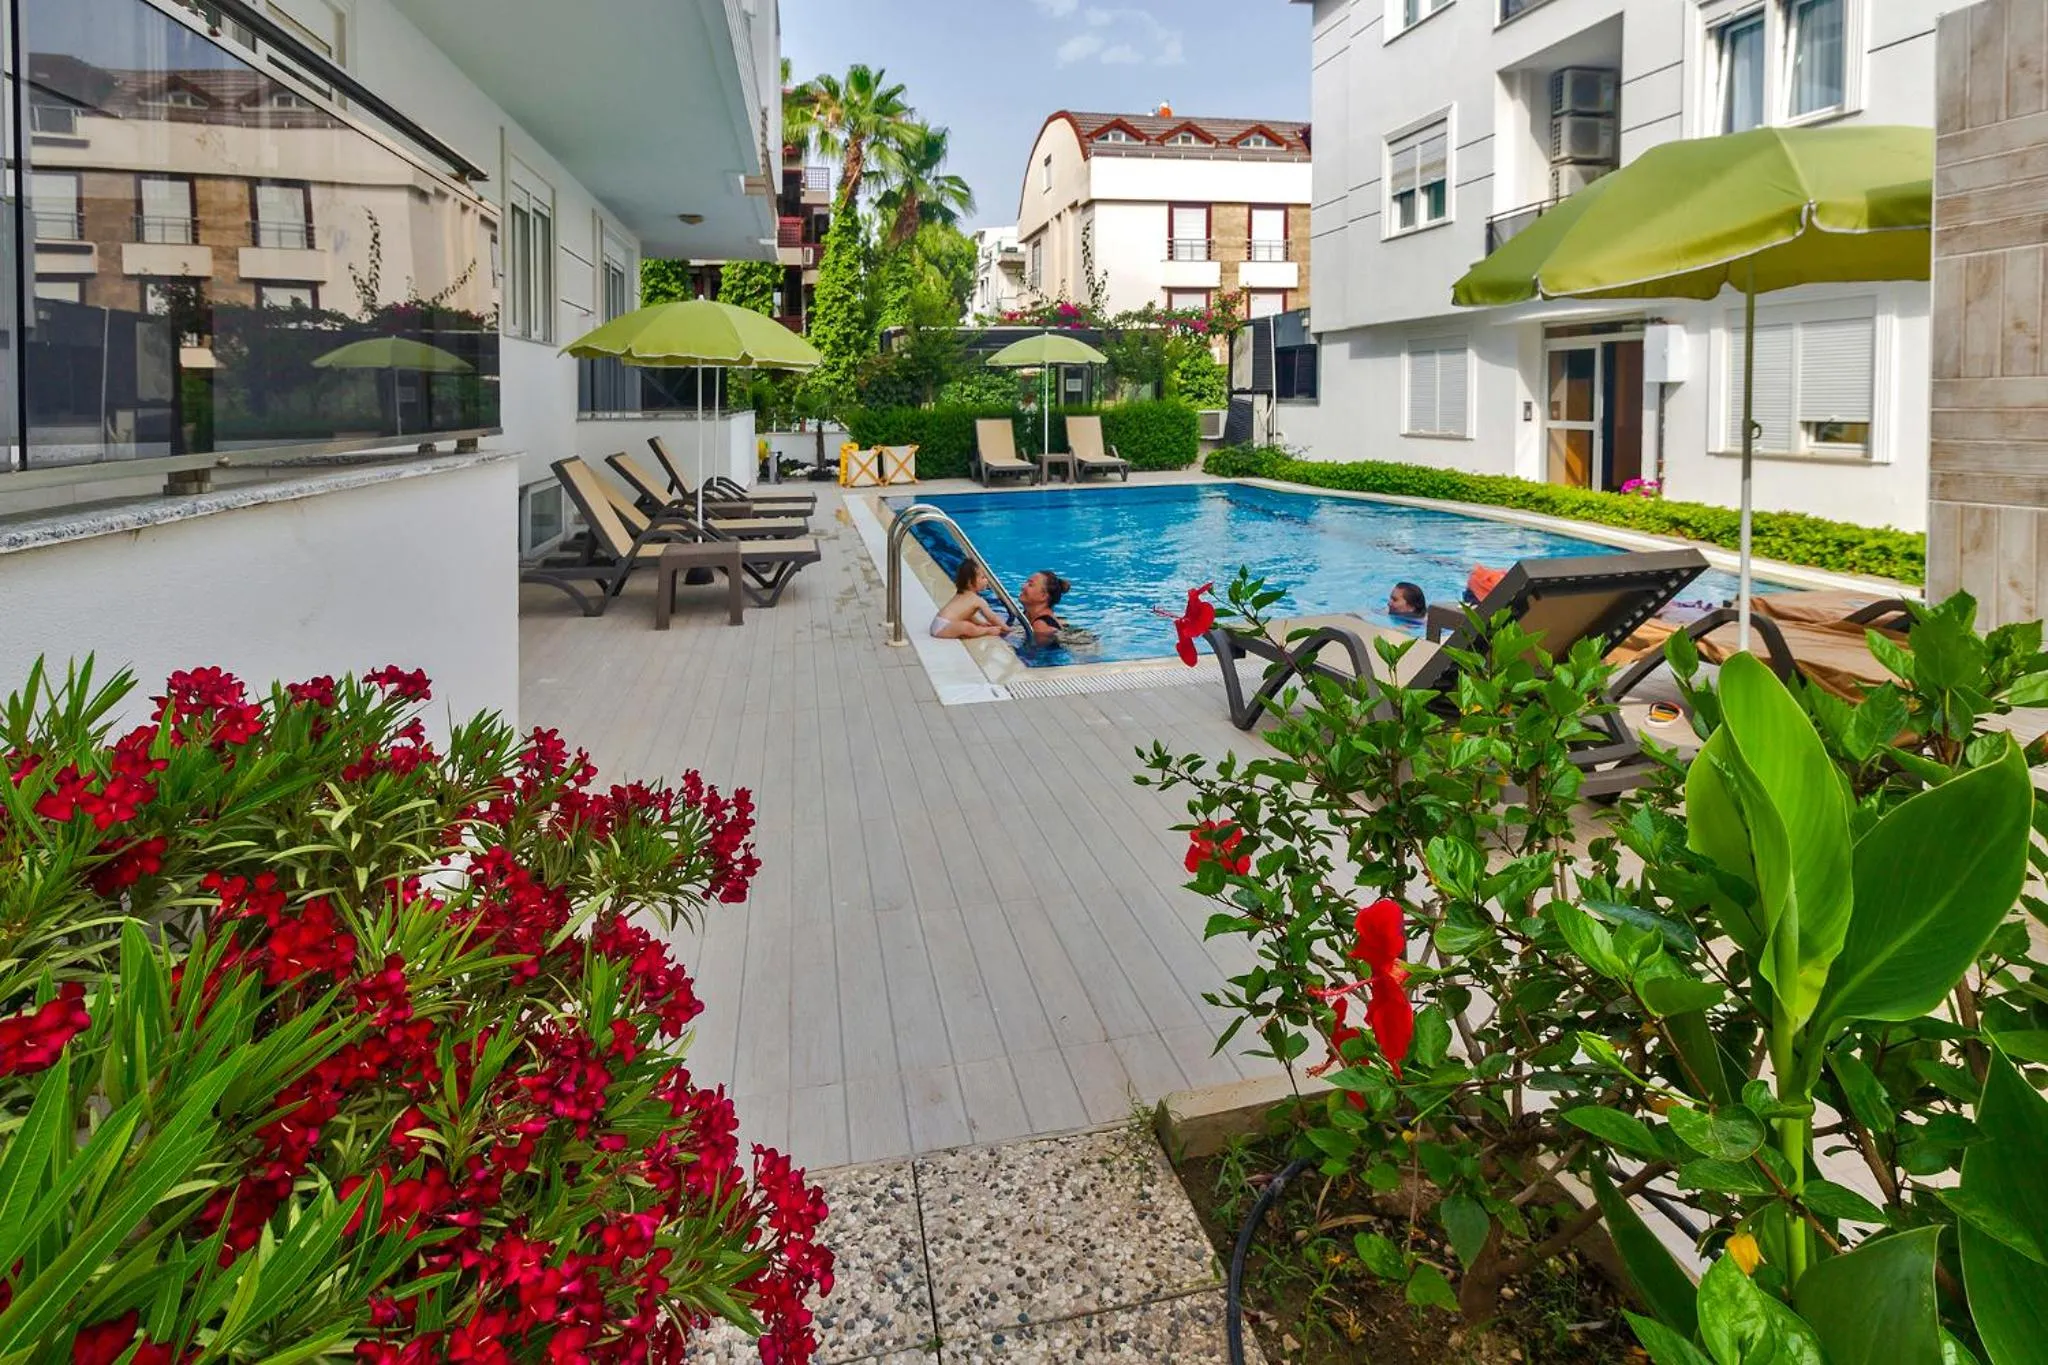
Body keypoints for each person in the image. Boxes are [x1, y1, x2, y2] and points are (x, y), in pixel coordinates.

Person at [931, 558, 1009, 640]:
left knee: (967, 624)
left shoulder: (961, 594)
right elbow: (992, 617)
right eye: (983, 577)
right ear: (970, 582)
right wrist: (1006, 628)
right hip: (944, 628)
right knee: (967, 626)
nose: (986, 580)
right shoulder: (978, 600)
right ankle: (988, 631)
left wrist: (980, 623)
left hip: (939, 623)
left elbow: (967, 614)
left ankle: (980, 629)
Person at [1018, 569, 1071, 647]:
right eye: (1026, 582)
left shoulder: (1041, 626)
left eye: (1030, 585)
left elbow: (1031, 653)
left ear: (1043, 596)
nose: (1023, 587)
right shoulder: (1027, 613)